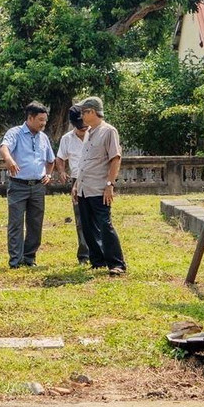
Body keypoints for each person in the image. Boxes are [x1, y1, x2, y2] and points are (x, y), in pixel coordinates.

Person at [73, 96, 126, 275]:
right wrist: (76, 185)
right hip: (84, 188)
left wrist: (110, 184)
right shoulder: (89, 133)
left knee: (104, 224)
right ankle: (98, 260)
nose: (81, 116)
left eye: (83, 112)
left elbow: (115, 159)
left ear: (92, 112)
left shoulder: (108, 131)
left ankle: (116, 263)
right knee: (88, 226)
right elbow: (84, 162)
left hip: (98, 187)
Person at [0, 102, 55, 268]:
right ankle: (15, 260)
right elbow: (4, 147)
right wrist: (9, 160)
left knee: (35, 224)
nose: (43, 123)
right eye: (40, 120)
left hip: (38, 186)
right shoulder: (15, 133)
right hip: (18, 185)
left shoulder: (43, 138)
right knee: (16, 223)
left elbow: (51, 160)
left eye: (45, 120)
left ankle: (29, 258)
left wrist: (49, 174)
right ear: (30, 118)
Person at [54, 105, 91, 265]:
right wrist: (61, 171)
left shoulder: (97, 134)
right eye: (79, 127)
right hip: (77, 181)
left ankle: (100, 252)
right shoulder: (67, 139)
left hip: (95, 179)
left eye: (85, 126)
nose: (83, 129)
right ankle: (84, 255)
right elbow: (60, 158)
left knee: (100, 218)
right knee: (80, 219)